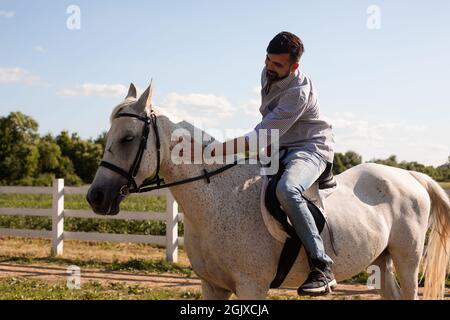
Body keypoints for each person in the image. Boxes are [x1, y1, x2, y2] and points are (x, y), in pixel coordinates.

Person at [199, 31, 336, 295]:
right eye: (268, 61)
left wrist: (212, 151)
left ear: (294, 66)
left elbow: (260, 135)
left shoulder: (298, 93)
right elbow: (268, 130)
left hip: (310, 148)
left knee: (287, 190)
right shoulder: (267, 74)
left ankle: (321, 266)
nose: (270, 68)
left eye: (278, 65)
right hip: (280, 146)